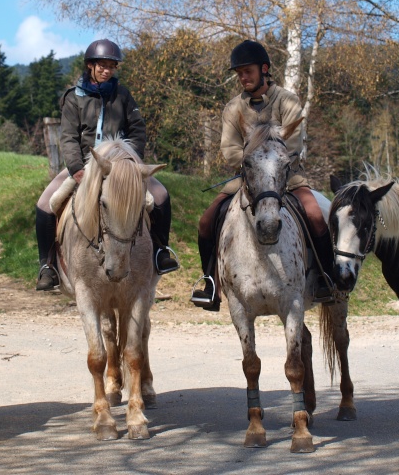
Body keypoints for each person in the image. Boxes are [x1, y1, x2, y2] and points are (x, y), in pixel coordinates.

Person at [190, 40, 336, 311]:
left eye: (248, 71)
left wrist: (270, 163)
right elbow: (228, 148)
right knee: (206, 220)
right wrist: (251, 164)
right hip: (246, 179)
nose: (243, 77)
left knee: (316, 216)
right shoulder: (233, 108)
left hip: (288, 179)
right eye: (239, 73)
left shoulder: (287, 101)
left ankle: (327, 279)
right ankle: (211, 283)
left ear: (264, 69)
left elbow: (293, 146)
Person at [34, 39, 179, 291]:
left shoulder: (122, 95)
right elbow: (68, 136)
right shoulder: (73, 98)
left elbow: (137, 131)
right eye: (102, 65)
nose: (107, 70)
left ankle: (160, 251)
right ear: (90, 65)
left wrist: (130, 163)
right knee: (46, 204)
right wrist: (77, 168)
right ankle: (47, 265)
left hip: (120, 167)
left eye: (112, 66)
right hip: (84, 166)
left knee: (160, 196)